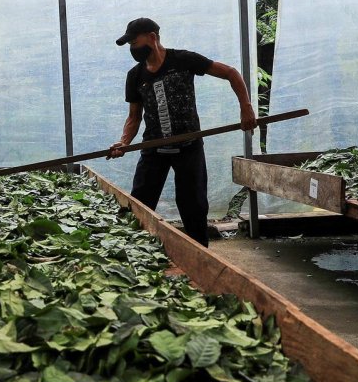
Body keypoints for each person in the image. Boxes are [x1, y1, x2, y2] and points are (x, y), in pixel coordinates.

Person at [106, 17, 257, 246]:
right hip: (153, 149)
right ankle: (133, 253)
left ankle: (201, 256)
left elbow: (231, 73)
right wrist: (124, 141)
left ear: (152, 37)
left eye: (134, 43)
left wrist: (246, 108)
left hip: (189, 147)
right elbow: (134, 116)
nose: (132, 49)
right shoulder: (135, 76)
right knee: (138, 205)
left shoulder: (183, 60)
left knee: (194, 207)